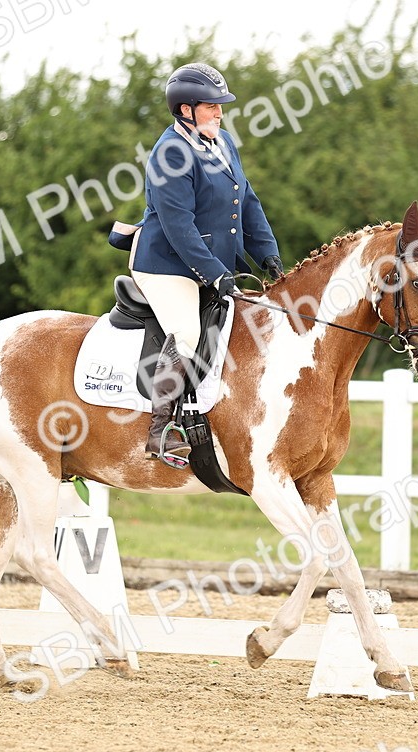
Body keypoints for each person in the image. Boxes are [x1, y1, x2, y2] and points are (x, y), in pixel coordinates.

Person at [130, 62, 284, 464]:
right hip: (166, 265)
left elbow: (246, 201)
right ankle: (161, 430)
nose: (220, 113)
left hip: (211, 262)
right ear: (186, 110)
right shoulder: (169, 154)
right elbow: (179, 228)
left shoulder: (223, 141)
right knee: (186, 331)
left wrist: (268, 254)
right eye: (212, 106)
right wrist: (216, 274)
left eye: (220, 106)